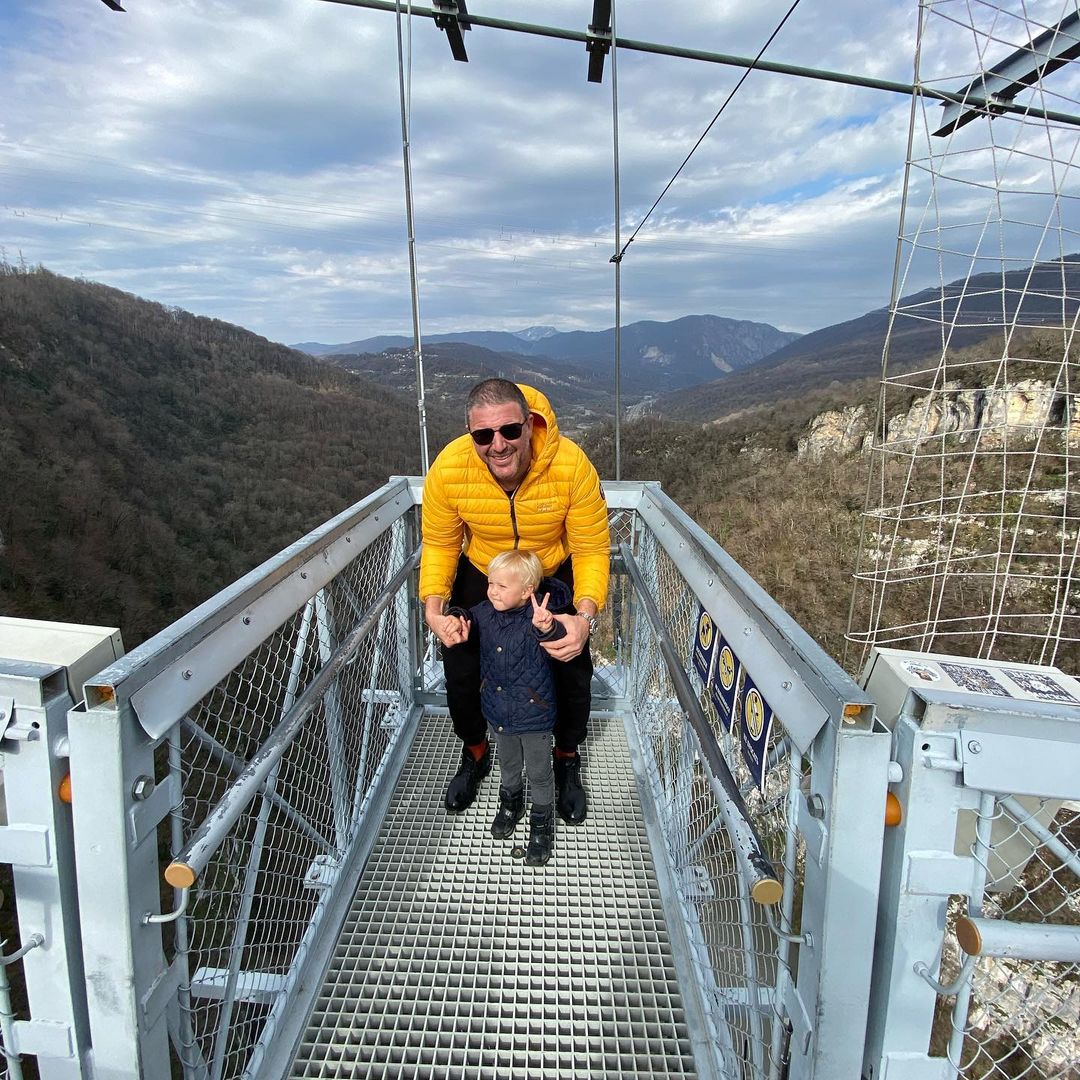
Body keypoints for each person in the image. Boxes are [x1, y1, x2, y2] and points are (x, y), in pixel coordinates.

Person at [420, 379, 610, 823]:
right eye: (483, 436)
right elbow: (440, 543)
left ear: (530, 425)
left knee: (570, 666)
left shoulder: (570, 465)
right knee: (461, 666)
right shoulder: (450, 469)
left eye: (509, 430)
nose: (498, 445)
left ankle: (565, 757)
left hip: (548, 571)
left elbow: (590, 548)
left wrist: (584, 616)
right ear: (471, 436)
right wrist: (433, 609)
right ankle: (476, 750)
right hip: (485, 570)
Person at [445, 549, 573, 866]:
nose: (492, 591)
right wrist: (455, 616)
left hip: (535, 714)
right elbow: (468, 617)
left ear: (528, 590)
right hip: (499, 710)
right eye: (490, 583)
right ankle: (510, 804)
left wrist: (548, 627)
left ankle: (541, 824)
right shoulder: (486, 612)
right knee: (509, 765)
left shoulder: (538, 618)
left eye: (502, 586)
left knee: (541, 775)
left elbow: (557, 634)